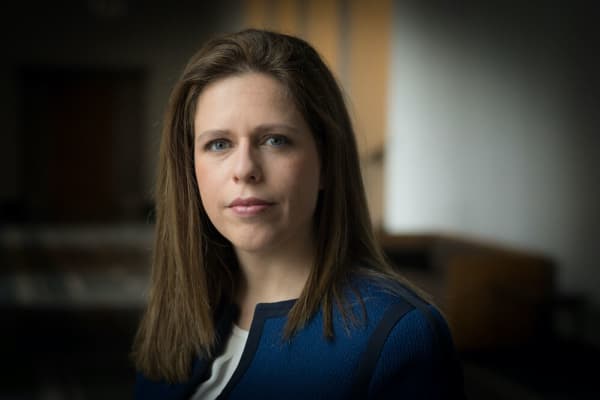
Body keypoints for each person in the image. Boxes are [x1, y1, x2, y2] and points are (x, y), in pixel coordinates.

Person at [132, 28, 465, 399]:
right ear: (190, 169)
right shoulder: (179, 314)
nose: (245, 169)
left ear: (326, 162)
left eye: (275, 140)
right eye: (219, 144)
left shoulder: (401, 336)